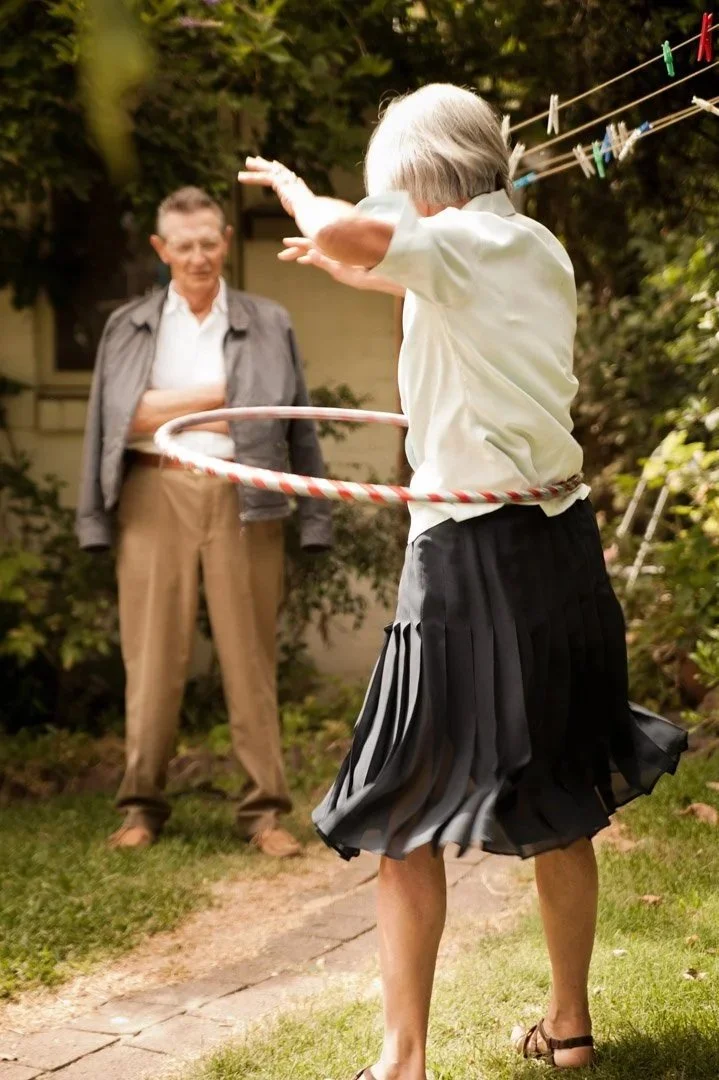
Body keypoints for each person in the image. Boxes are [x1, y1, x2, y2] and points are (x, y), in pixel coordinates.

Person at [237, 84, 687, 1075]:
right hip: (559, 548)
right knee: (560, 795)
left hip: (465, 552)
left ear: (425, 179)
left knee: (401, 812)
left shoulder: (454, 244)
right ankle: (567, 1028)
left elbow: (361, 238)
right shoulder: (527, 246)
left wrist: (302, 197)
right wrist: (354, 263)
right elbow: (423, 281)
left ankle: (400, 1062)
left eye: (394, 188)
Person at [76, 186, 332, 858]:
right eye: (183, 246)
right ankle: (140, 807)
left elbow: (291, 417)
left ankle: (264, 813)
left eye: (208, 243)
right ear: (161, 250)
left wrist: (316, 516)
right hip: (151, 493)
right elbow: (117, 418)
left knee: (250, 659)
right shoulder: (128, 325)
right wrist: (228, 395)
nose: (198, 257)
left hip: (242, 496)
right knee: (152, 660)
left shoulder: (268, 321)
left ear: (225, 242)